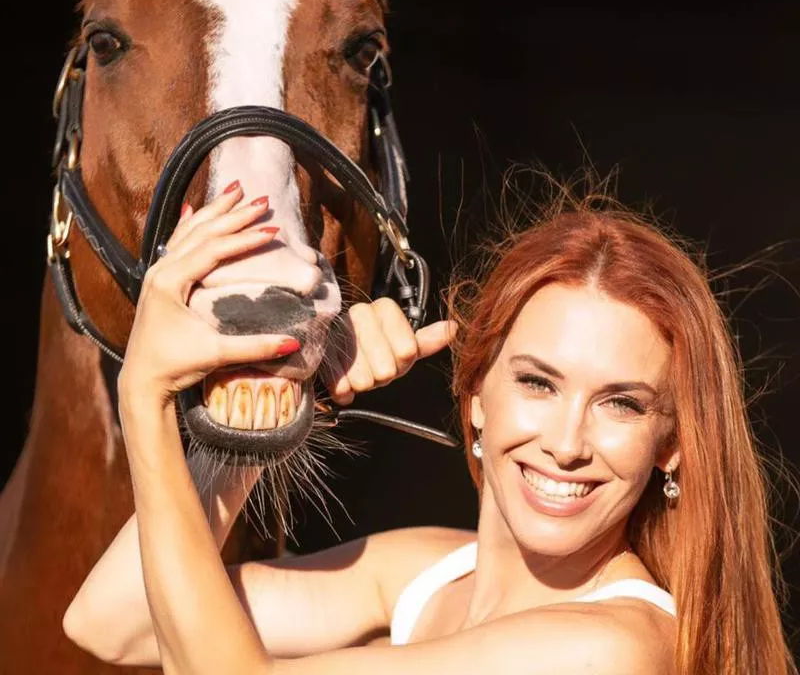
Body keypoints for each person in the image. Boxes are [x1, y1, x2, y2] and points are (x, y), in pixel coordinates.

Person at [62, 180, 797, 674]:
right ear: (477, 394)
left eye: (621, 404)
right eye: (539, 383)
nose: (568, 443)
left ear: (670, 446)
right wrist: (283, 398)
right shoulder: (426, 574)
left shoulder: (609, 648)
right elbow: (113, 623)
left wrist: (145, 398)